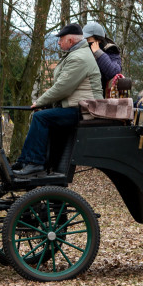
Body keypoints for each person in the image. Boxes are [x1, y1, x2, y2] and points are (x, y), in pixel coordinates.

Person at [13, 24, 103, 176]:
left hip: (85, 110)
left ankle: (35, 162)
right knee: (43, 116)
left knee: (40, 118)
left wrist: (39, 102)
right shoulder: (75, 54)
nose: (59, 43)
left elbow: (62, 88)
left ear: (70, 40)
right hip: (76, 107)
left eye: (61, 39)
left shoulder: (79, 58)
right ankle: (25, 161)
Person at [82, 21, 123, 96]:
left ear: (98, 40)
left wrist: (99, 53)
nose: (86, 42)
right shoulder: (83, 50)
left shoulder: (111, 51)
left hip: (102, 96)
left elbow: (113, 72)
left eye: (88, 39)